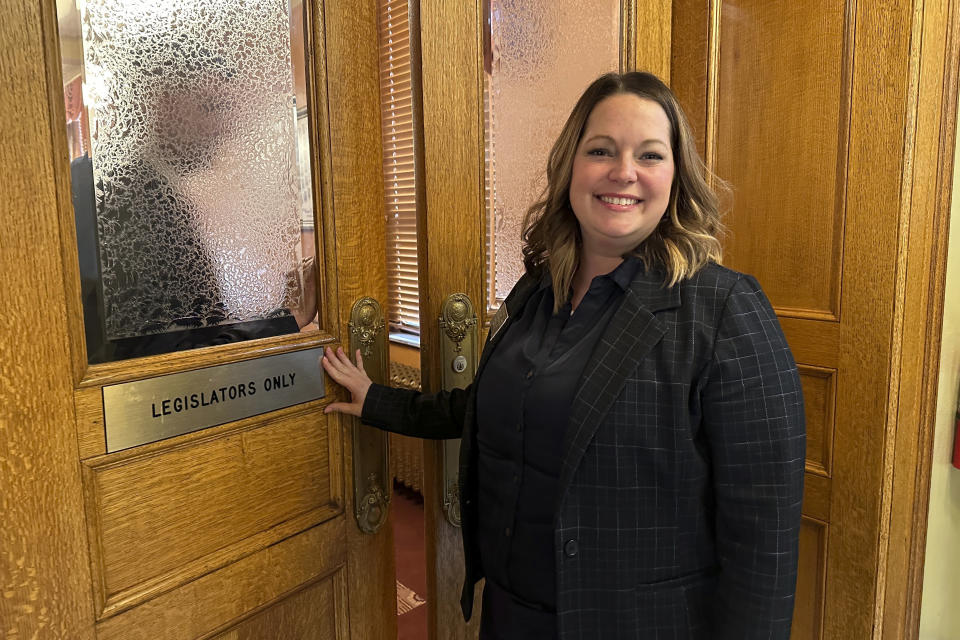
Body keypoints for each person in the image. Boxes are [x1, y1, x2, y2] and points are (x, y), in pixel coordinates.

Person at [322, 71, 805, 639]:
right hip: (510, 615)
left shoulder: (723, 310)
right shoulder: (538, 291)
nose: (622, 171)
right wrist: (377, 400)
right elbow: (489, 409)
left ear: (677, 178)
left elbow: (763, 540)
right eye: (601, 150)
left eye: (649, 155)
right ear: (570, 167)